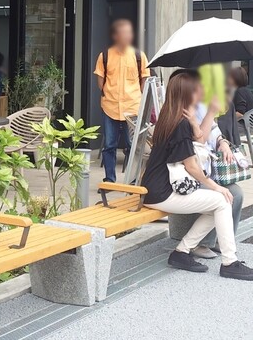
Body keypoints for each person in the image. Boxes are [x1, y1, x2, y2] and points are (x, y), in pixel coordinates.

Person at [142, 72, 253, 279]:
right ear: (187, 95)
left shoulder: (171, 119)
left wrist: (194, 123)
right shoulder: (179, 124)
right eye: (196, 89)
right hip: (163, 192)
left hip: (157, 187)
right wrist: (217, 187)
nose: (201, 92)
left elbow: (197, 144)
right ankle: (229, 262)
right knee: (222, 200)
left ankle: (182, 252)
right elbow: (192, 167)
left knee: (219, 204)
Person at [168, 69, 243, 260]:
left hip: (204, 168)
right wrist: (209, 113)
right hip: (189, 175)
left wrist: (223, 142)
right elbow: (198, 142)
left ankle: (222, 239)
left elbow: (214, 131)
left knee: (236, 193)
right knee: (223, 197)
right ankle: (202, 243)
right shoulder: (182, 113)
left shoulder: (201, 104)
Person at [94, 19, 149, 183]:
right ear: (115, 36)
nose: (127, 36)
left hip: (132, 108)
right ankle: (109, 179)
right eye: (123, 33)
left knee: (133, 146)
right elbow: (100, 82)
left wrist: (135, 95)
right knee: (109, 145)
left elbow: (145, 80)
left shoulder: (139, 56)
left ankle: (133, 180)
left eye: (129, 33)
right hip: (110, 106)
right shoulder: (105, 56)